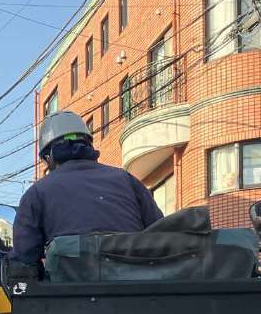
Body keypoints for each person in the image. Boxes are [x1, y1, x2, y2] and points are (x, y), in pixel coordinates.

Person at [11, 110, 164, 267]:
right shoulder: (127, 180)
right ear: (88, 144)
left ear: (48, 157)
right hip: (137, 277)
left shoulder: (37, 193)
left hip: (68, 281)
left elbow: (24, 255)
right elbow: (161, 234)